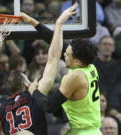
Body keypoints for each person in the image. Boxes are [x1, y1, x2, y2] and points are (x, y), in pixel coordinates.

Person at [0, 4, 77, 135]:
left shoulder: (3, 108)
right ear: (26, 84)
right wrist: (58, 26)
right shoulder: (34, 96)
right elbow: (52, 60)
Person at [22, 3, 102, 135]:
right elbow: (56, 45)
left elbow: (49, 106)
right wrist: (35, 22)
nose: (64, 54)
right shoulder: (89, 65)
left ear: (76, 60)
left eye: (67, 54)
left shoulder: (75, 76)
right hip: (90, 130)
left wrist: (33, 90)